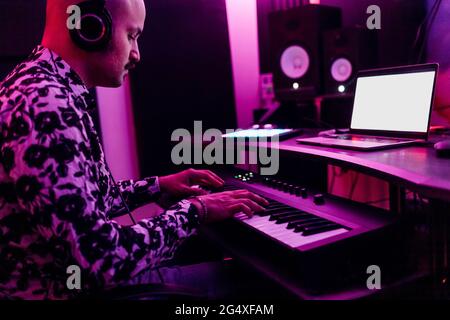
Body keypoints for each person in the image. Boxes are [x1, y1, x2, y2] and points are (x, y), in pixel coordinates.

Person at [0, 0, 268, 299]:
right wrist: (196, 210)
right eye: (131, 36)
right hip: (71, 290)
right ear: (90, 27)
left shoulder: (39, 88)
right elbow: (102, 258)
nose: (137, 54)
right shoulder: (45, 105)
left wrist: (158, 185)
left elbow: (81, 204)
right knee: (255, 281)